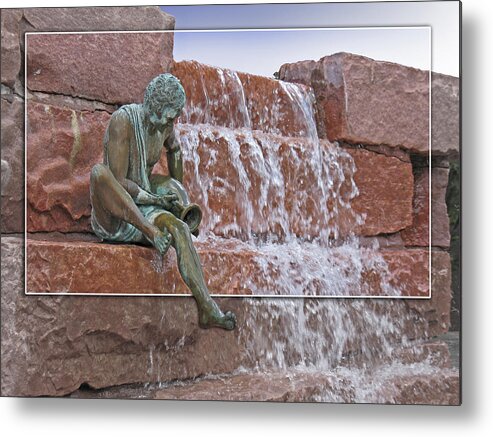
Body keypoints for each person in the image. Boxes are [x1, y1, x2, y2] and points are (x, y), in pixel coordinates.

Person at [90, 73, 236, 330]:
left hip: (145, 203)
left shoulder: (163, 126)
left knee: (179, 230)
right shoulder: (123, 122)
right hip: (117, 213)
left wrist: (180, 202)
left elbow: (175, 150)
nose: (173, 122)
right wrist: (156, 201)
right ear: (155, 108)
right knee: (98, 174)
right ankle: (152, 232)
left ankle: (207, 309)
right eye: (170, 116)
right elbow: (119, 182)